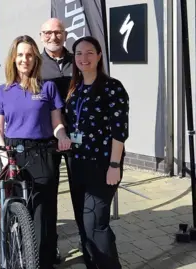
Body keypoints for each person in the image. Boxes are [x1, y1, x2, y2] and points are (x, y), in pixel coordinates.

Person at [0, 35, 71, 269]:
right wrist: (4, 155)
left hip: (42, 152)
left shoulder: (48, 87)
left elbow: (57, 123)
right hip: (13, 152)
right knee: (17, 210)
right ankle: (18, 258)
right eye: (20, 55)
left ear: (36, 58)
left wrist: (62, 136)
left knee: (43, 212)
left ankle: (42, 262)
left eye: (29, 55)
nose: (25, 59)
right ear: (13, 60)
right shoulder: (4, 91)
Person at [64, 36, 129, 269]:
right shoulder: (75, 88)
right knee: (83, 222)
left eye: (90, 52)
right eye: (79, 54)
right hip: (77, 163)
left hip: (103, 165)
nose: (84, 58)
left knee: (96, 223)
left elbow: (119, 130)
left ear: (99, 55)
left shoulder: (112, 87)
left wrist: (114, 165)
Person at [39, 17, 74, 263]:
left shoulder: (78, 61)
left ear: (65, 34)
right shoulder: (34, 63)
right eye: (48, 33)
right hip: (45, 139)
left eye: (58, 32)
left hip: (77, 139)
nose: (54, 37)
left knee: (81, 194)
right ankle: (49, 249)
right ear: (42, 36)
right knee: (47, 197)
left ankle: (89, 241)